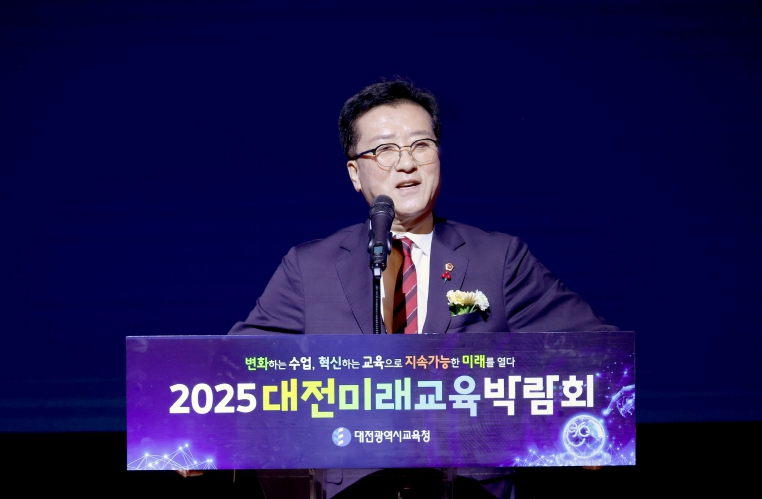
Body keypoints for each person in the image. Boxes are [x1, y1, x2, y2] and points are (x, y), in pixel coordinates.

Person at [229, 78, 618, 498]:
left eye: (420, 145)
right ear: (355, 174)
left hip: (469, 491)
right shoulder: (309, 268)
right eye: (385, 149)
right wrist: (193, 436)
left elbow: (598, 352)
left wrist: (588, 419)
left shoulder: (499, 259)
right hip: (351, 493)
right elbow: (234, 371)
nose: (406, 163)